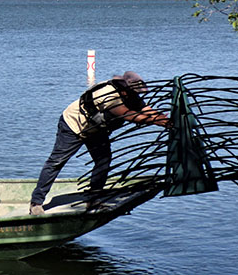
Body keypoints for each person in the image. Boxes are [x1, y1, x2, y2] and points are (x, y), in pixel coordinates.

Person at [29, 71, 170, 215]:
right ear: (125, 90)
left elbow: (146, 110)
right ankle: (36, 202)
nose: (137, 96)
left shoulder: (130, 94)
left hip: (96, 129)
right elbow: (130, 115)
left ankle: (93, 200)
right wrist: (158, 121)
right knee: (57, 162)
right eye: (134, 92)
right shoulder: (109, 96)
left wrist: (166, 120)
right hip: (74, 125)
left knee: (103, 161)